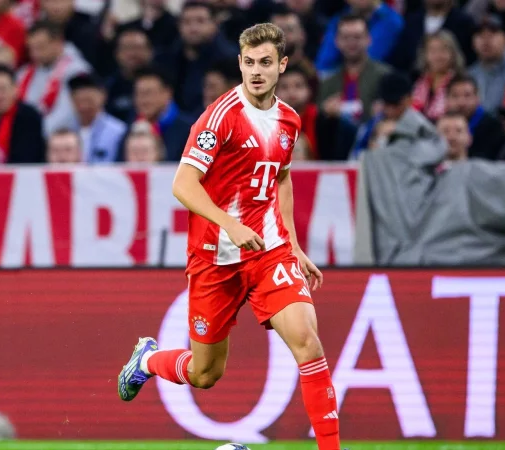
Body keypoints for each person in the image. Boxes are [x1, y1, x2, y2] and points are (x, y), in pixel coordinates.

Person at [117, 23, 345, 450]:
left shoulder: (289, 121)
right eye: (248, 63)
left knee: (308, 343)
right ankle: (146, 360)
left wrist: (292, 244)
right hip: (214, 258)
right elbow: (183, 185)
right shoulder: (220, 117)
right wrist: (229, 223)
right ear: (239, 63)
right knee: (206, 374)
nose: (256, 71)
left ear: (282, 65)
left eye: (265, 63)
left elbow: (281, 177)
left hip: (268, 252)